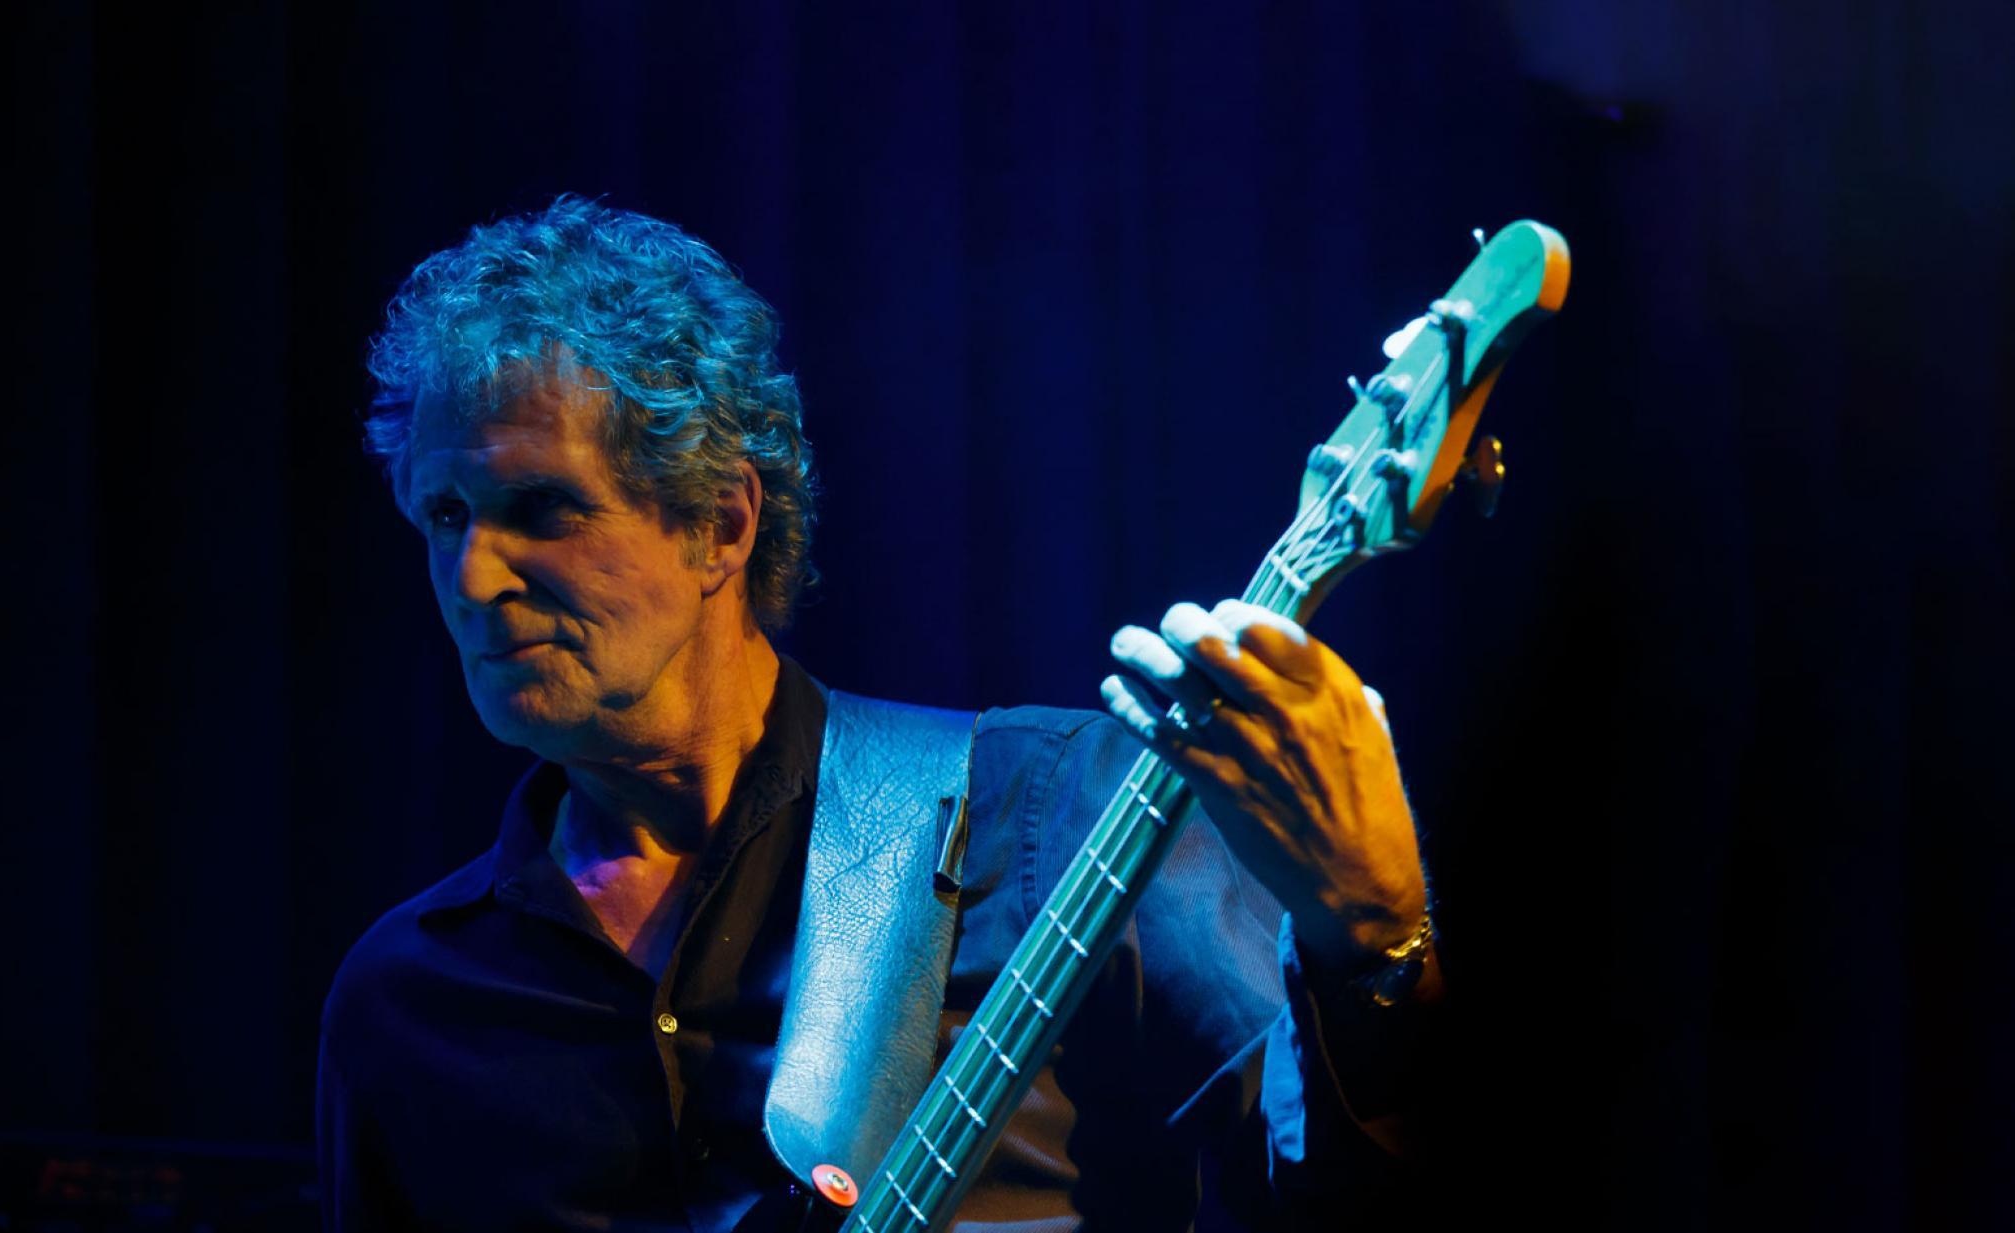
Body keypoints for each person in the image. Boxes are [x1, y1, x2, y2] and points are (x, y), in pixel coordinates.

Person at [318, 195, 1442, 1231]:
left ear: (719, 521)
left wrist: (1374, 948)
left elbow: (1363, 1197)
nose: (471, 578)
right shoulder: (406, 1002)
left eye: (541, 509)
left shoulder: (1061, 815)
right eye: (447, 515)